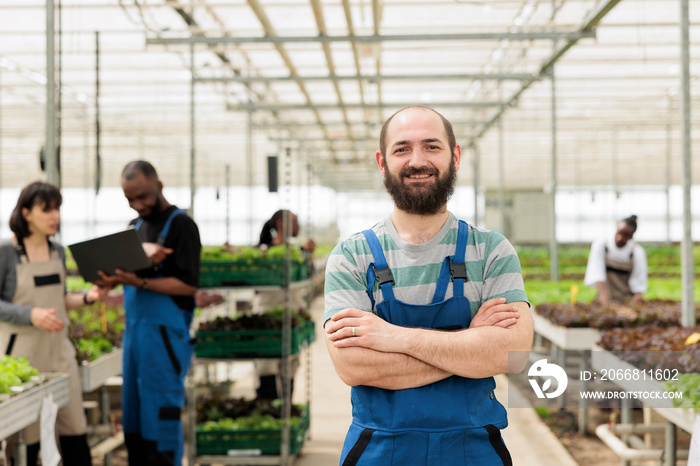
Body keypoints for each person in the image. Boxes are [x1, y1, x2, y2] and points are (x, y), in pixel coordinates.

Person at [323, 106, 533, 465]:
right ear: (382, 161)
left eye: (431, 147)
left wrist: (392, 338)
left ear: (455, 156)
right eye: (402, 148)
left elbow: (510, 353)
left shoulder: (491, 250)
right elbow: (354, 366)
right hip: (379, 450)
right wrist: (470, 346)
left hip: (474, 450)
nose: (417, 160)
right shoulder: (351, 256)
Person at [95, 161, 201, 466]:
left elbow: (188, 285)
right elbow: (126, 275)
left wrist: (138, 281)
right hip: (136, 339)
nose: (137, 205)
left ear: (160, 186)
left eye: (142, 196)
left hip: (165, 339)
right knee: (135, 415)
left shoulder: (181, 226)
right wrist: (111, 278)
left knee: (161, 412)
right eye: (130, 199)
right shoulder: (134, 229)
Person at [0, 181, 105, 466]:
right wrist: (30, 314)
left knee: (73, 430)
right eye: (46, 209)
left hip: (60, 354)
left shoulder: (57, 250)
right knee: (26, 439)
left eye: (57, 209)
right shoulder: (7, 252)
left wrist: (87, 298)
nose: (54, 216)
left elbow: (59, 298)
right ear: (25, 213)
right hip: (22, 357)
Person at [253, 209, 314, 400]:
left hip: (291, 320)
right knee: (267, 368)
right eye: (294, 222)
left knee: (289, 367)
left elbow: (307, 276)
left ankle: (285, 415)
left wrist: (308, 255)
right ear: (281, 224)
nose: (298, 226)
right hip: (266, 319)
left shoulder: (296, 252)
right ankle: (268, 413)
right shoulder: (262, 253)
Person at [584, 215, 647, 305]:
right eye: (618, 233)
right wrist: (606, 302)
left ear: (631, 236)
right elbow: (597, 273)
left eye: (625, 236)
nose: (620, 238)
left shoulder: (636, 251)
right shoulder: (601, 245)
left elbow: (638, 279)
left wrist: (636, 299)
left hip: (626, 299)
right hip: (605, 297)